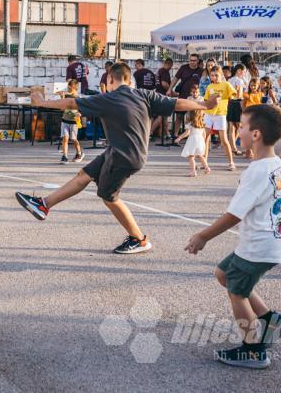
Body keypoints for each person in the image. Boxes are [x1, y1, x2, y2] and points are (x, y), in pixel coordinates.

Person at [16, 62, 220, 254]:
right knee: (84, 175)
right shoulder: (144, 95)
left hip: (124, 155)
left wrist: (42, 102)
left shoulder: (108, 98)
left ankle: (139, 239)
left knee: (108, 196)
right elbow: (177, 103)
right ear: (129, 80)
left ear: (111, 80)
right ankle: (43, 205)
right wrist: (204, 104)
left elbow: (71, 102)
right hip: (123, 151)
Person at [186, 104, 281, 369]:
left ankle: (253, 350)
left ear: (256, 135)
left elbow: (234, 214)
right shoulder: (277, 165)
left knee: (237, 292)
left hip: (259, 246)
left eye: (243, 126)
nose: (240, 130)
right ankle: (270, 319)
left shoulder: (256, 172)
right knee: (224, 274)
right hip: (271, 242)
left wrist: (203, 236)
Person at [203, 66, 237, 171]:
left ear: (221, 75)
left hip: (221, 114)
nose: (214, 77)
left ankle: (231, 162)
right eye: (212, 75)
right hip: (209, 114)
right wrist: (212, 98)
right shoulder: (209, 87)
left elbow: (234, 95)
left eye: (216, 75)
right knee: (205, 138)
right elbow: (206, 101)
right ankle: (204, 162)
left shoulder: (226, 84)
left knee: (224, 140)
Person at [169, 54, 204, 139]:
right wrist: (170, 89)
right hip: (183, 95)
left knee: (195, 116)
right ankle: (175, 135)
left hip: (195, 98)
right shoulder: (183, 68)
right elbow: (175, 79)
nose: (192, 62)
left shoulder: (201, 71)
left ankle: (193, 135)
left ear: (198, 61)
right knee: (179, 116)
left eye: (194, 60)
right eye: (191, 60)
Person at [175, 109, 211, 177]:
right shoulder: (201, 123)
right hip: (200, 140)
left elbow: (187, 133)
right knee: (200, 155)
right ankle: (207, 168)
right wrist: (203, 141)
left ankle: (193, 171)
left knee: (191, 156)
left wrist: (179, 138)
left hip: (192, 140)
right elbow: (204, 134)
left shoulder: (190, 124)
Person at [59, 79, 85, 164]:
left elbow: (82, 109)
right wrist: (62, 97)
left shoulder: (78, 98)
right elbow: (62, 108)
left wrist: (80, 114)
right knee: (65, 138)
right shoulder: (66, 96)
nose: (69, 89)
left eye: (71, 88)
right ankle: (64, 156)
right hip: (65, 120)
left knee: (73, 139)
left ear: (75, 88)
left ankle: (79, 153)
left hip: (74, 122)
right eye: (69, 87)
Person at [227, 64, 247, 156]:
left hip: (230, 102)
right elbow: (239, 95)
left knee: (231, 126)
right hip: (238, 102)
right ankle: (233, 147)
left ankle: (232, 147)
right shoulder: (239, 80)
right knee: (238, 126)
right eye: (243, 71)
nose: (244, 73)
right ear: (239, 70)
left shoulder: (229, 80)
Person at [150, 58, 173, 137]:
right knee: (162, 115)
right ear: (169, 64)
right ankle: (150, 132)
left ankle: (165, 133)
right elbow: (164, 84)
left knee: (156, 115)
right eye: (171, 66)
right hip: (162, 95)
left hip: (156, 94)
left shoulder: (159, 71)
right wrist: (170, 91)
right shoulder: (165, 71)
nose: (171, 68)